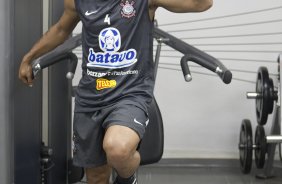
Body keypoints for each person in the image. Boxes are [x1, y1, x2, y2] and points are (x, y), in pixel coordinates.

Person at [18, 0, 213, 183]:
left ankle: (127, 179)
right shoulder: (77, 1)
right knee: (96, 177)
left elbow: (202, 3)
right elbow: (61, 30)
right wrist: (29, 58)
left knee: (117, 148)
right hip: (90, 98)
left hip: (130, 93)